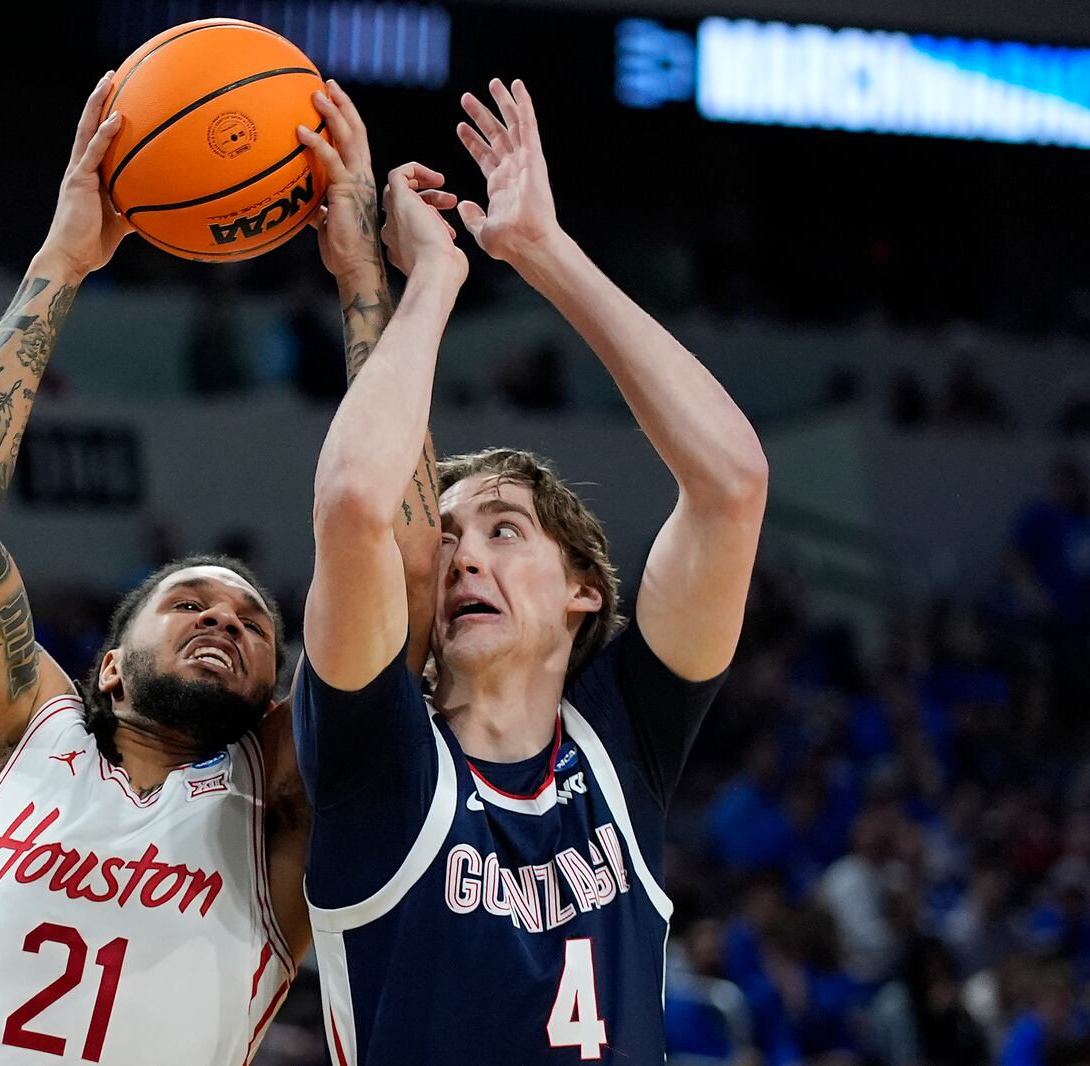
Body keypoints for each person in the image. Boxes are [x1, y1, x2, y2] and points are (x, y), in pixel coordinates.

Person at [0, 74, 434, 1065]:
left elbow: (405, 586)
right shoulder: (19, 736)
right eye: (188, 602)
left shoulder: (277, 801)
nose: (225, 620)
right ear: (106, 661)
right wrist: (64, 258)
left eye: (255, 624)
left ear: (278, 688)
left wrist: (364, 284)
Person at [294, 77, 768, 1062]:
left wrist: (543, 253)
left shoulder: (618, 742)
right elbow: (356, 504)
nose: (464, 550)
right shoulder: (379, 759)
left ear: (582, 589)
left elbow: (730, 484)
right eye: (451, 535)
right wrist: (417, 284)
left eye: (504, 530)